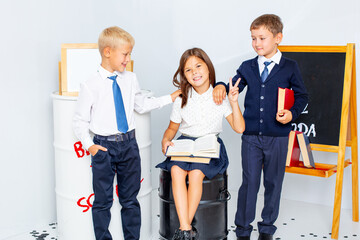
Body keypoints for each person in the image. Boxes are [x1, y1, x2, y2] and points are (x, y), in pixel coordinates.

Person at [72, 26, 181, 240]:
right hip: (104, 147)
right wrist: (90, 145)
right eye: (125, 54)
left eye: (130, 54)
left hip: (129, 145)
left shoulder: (129, 78)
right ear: (108, 52)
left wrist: (169, 98)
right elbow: (79, 120)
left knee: (130, 200)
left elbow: (140, 105)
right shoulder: (90, 84)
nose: (128, 59)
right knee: (103, 201)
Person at [213, 14, 308, 240]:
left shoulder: (290, 67)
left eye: (262, 38)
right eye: (253, 38)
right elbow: (233, 85)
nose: (257, 43)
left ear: (278, 38)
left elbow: (302, 96)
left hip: (278, 137)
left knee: (274, 182)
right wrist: (219, 86)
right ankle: (243, 230)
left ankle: (266, 229)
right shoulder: (247, 67)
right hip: (251, 137)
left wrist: (291, 114)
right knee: (250, 183)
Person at [156, 47, 245, 240]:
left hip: (209, 145)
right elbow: (172, 128)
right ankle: (186, 228)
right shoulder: (181, 98)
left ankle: (183, 230)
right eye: (188, 70)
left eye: (198, 66)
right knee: (176, 171)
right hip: (185, 144)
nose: (195, 72)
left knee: (196, 174)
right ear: (184, 75)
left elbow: (239, 128)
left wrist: (234, 102)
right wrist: (166, 138)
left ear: (208, 68)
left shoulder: (219, 96)